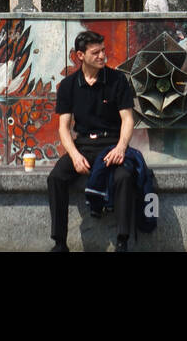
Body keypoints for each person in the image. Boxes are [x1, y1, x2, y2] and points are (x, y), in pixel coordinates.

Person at [48, 30, 141, 252]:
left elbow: (128, 119)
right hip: (82, 146)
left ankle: (122, 240)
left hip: (111, 145)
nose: (102, 56)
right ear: (80, 55)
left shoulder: (118, 80)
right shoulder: (69, 85)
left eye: (103, 51)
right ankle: (59, 243)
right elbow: (64, 127)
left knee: (124, 176)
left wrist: (121, 147)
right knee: (56, 178)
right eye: (95, 52)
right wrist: (74, 156)